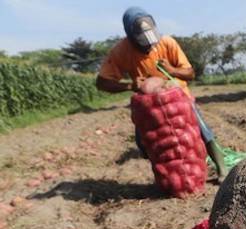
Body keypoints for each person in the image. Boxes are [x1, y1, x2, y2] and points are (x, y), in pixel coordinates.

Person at [96, 7, 228, 181]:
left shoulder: (167, 42)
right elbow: (101, 82)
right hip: (149, 106)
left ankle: (222, 168)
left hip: (178, 99)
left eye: (151, 40)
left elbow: (190, 73)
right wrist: (129, 86)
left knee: (203, 131)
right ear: (130, 36)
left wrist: (172, 70)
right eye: (143, 42)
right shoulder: (121, 51)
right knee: (144, 144)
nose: (149, 45)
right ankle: (169, 177)